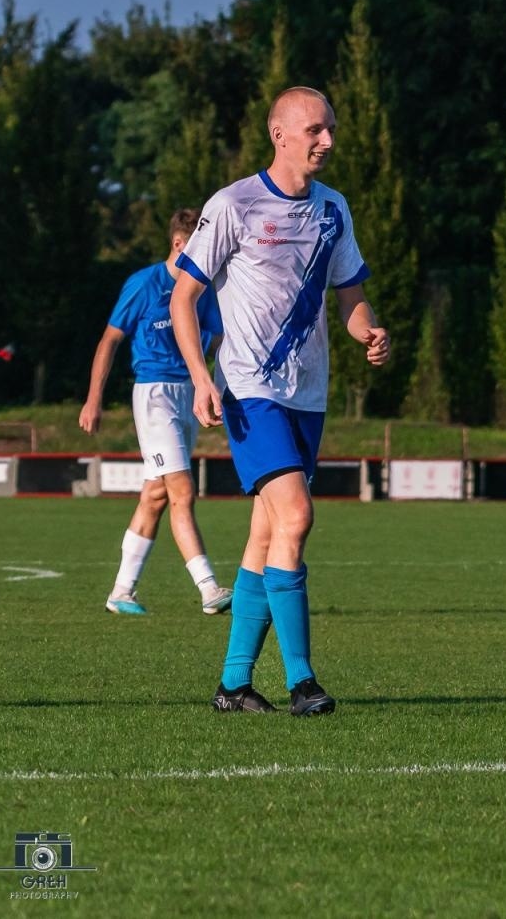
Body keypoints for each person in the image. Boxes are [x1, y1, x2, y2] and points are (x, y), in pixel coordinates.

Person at [170, 85, 389, 717]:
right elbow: (183, 297)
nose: (327, 140)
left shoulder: (332, 209)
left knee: (267, 534)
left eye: (331, 129)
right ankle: (304, 683)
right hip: (248, 388)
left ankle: (234, 685)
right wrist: (201, 377)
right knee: (296, 517)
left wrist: (369, 334)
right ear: (280, 134)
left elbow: (351, 299)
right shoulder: (233, 205)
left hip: (307, 396)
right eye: (316, 129)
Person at [80, 208, 231, 617]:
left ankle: (121, 592)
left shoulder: (200, 290)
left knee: (156, 494)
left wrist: (209, 379)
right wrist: (94, 398)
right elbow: (110, 339)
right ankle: (208, 588)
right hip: (154, 395)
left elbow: (217, 332)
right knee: (182, 491)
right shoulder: (144, 284)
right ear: (180, 244)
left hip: (189, 393)